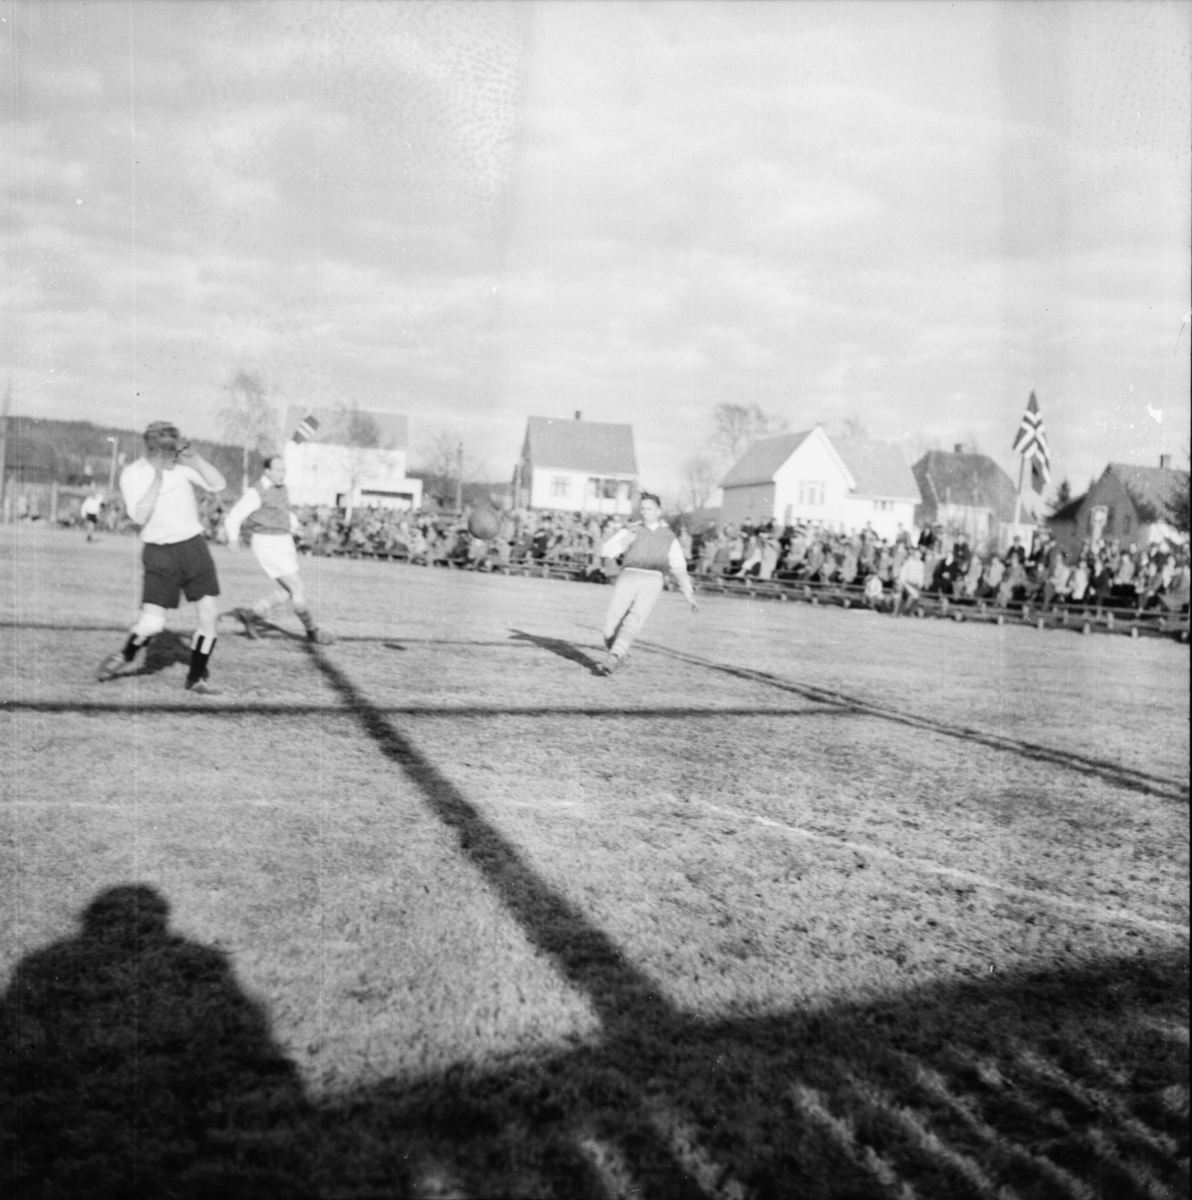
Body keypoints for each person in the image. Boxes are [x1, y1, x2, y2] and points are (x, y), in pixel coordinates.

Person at [96, 422, 227, 694]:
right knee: (153, 624)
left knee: (209, 616)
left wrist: (194, 457)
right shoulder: (133, 474)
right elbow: (140, 516)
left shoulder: (182, 466)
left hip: (193, 547)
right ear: (151, 448)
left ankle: (195, 679)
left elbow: (218, 484)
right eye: (164, 449)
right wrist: (158, 476)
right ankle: (126, 655)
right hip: (159, 552)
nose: (169, 455)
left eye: (173, 448)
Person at [222, 454, 333, 645]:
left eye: (284, 470)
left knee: (289, 590)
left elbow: (283, 511)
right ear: (267, 471)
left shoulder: (282, 489)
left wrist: (297, 527)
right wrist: (233, 539)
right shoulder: (257, 491)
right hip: (267, 542)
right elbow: (235, 515)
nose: (283, 474)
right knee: (297, 587)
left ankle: (251, 614)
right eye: (278, 470)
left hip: (284, 541)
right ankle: (313, 632)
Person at [596, 492, 698, 675]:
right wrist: (625, 540)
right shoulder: (631, 530)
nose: (645, 512)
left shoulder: (668, 536)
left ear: (658, 511)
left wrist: (688, 593)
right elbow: (606, 551)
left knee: (634, 618)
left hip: (653, 578)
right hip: (628, 576)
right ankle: (618, 652)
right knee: (610, 624)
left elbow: (679, 567)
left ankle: (614, 657)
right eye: (642, 508)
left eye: (649, 508)